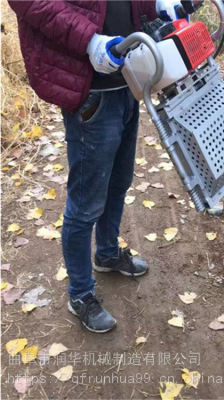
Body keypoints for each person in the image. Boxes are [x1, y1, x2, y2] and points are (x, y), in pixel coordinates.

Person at [9, 0, 181, 333]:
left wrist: (159, 4)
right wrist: (90, 40)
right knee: (86, 204)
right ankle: (80, 293)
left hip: (130, 82)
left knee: (119, 182)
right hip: (90, 91)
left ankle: (106, 253)